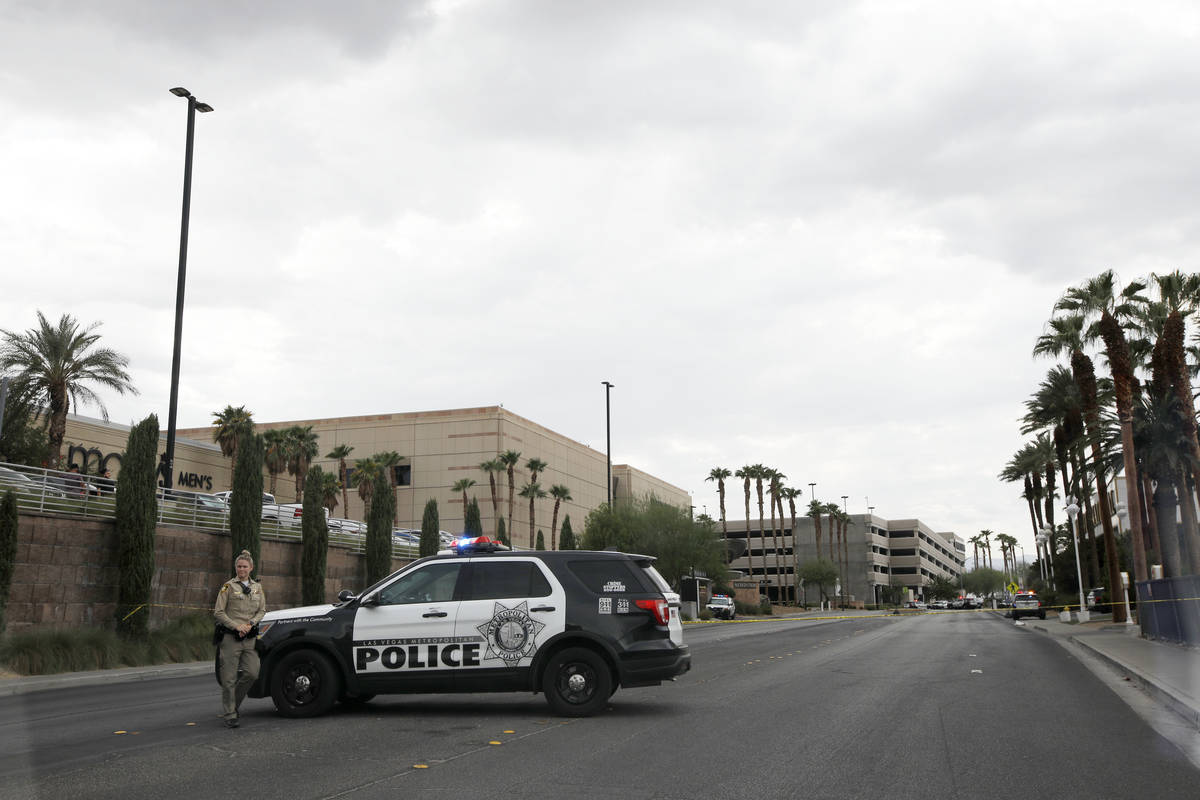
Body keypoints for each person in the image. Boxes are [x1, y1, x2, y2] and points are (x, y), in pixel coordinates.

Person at [213, 550, 266, 728]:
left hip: (249, 638)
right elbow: (218, 612)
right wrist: (237, 626)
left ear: (251, 568)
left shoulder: (257, 587)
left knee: (252, 672)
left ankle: (233, 704)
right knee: (228, 678)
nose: (241, 569)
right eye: (238, 566)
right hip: (230, 638)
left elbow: (262, 610)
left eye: (244, 566)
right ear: (235, 567)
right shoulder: (228, 587)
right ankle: (230, 714)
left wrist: (251, 624)